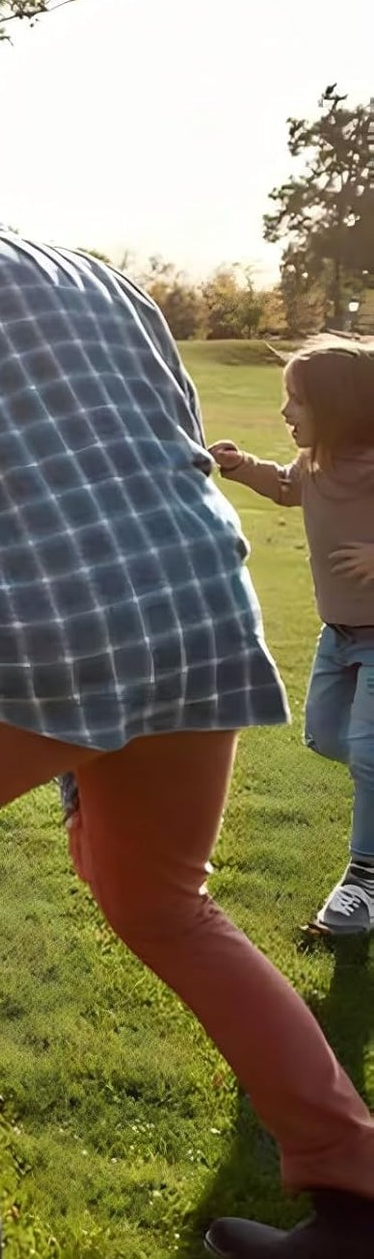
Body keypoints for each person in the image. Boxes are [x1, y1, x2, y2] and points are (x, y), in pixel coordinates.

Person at [0, 115, 374, 1259]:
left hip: (36, 619)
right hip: (202, 608)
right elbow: (177, 453)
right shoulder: (106, 281)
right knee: (158, 895)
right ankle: (355, 1200)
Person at [209, 338, 374, 933]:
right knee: (327, 739)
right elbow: (284, 486)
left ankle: (364, 879)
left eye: (296, 401)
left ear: (338, 407)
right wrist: (239, 465)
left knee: (370, 756)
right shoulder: (314, 466)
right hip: (339, 633)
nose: (285, 413)